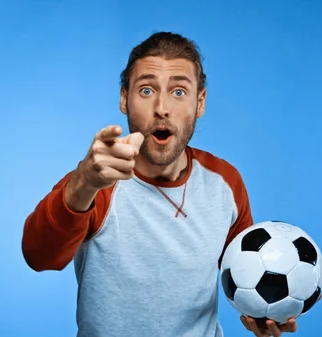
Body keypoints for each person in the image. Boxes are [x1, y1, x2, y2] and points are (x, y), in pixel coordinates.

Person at [21, 31, 304, 337]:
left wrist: (262, 312)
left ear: (200, 102)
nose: (162, 108)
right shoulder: (96, 180)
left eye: (179, 92)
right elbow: (39, 257)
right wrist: (83, 184)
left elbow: (244, 270)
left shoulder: (225, 182)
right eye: (145, 90)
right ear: (123, 98)